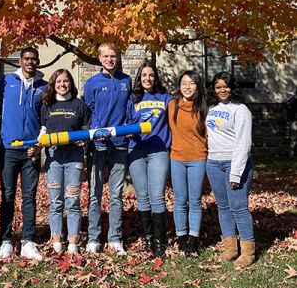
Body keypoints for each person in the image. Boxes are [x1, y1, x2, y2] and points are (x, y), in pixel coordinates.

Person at [0, 47, 47, 261]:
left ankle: (28, 241)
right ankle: (6, 241)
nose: (30, 62)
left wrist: (41, 143)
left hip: (31, 150)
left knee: (29, 197)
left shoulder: (44, 87)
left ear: (38, 61)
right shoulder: (7, 82)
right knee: (7, 196)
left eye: (34, 59)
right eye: (26, 59)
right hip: (8, 149)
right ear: (20, 61)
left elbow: (47, 116)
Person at [83, 42, 132, 255]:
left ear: (118, 58)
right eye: (106, 56)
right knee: (95, 193)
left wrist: (130, 127)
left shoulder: (126, 81)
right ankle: (93, 238)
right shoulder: (92, 83)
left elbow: (129, 108)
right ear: (100, 58)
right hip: (99, 145)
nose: (110, 59)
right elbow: (88, 110)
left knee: (116, 194)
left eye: (113, 56)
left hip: (120, 145)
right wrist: (96, 130)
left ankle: (114, 238)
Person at [206, 71, 255, 267]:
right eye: (218, 87)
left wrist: (236, 172)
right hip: (213, 163)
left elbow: (244, 142)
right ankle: (230, 248)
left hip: (234, 164)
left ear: (232, 87)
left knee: (239, 208)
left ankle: (248, 252)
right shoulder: (211, 107)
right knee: (223, 207)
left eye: (225, 86)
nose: (222, 90)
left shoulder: (241, 109)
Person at [40, 69, 90, 254]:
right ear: (53, 84)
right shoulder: (47, 105)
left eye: (66, 81)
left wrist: (83, 140)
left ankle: (73, 243)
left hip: (74, 157)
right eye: (59, 81)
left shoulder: (80, 105)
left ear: (71, 83)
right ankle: (56, 241)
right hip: (54, 157)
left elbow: (86, 132)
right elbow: (42, 132)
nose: (63, 84)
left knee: (73, 200)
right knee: (56, 202)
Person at [126, 60, 172, 258]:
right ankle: (148, 238)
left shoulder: (166, 98)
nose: (148, 78)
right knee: (142, 197)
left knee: (157, 196)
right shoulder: (132, 99)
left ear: (156, 77)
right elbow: (126, 122)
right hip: (136, 151)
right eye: (144, 75)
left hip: (158, 151)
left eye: (151, 75)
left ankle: (160, 242)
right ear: (139, 77)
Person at [168, 70, 207, 255]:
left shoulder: (204, 108)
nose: (187, 86)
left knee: (195, 201)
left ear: (197, 86)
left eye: (191, 83)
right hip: (177, 158)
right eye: (184, 83)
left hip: (198, 158)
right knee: (180, 201)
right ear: (179, 85)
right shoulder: (172, 105)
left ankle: (194, 240)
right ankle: (181, 238)